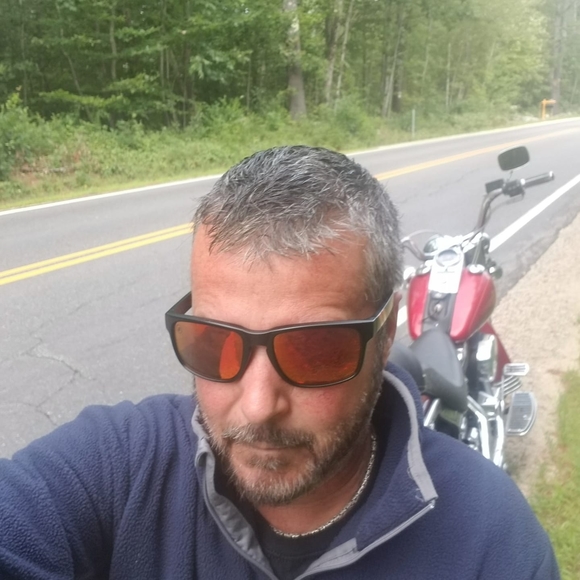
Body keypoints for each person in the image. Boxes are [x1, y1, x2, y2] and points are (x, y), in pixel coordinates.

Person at [0, 146, 558, 579]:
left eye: (313, 351)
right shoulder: (121, 466)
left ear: (385, 335)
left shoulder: (490, 540)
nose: (258, 406)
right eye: (214, 342)